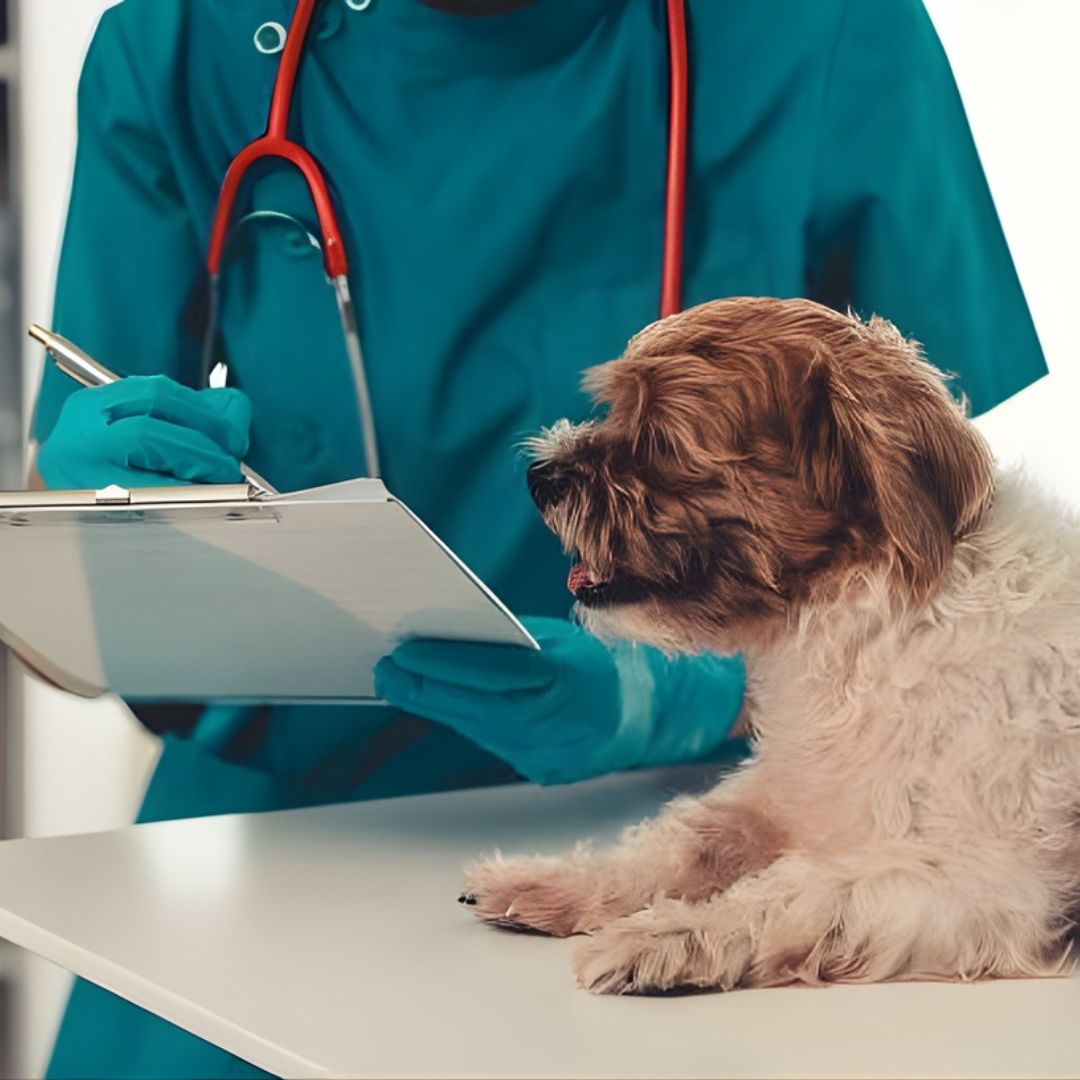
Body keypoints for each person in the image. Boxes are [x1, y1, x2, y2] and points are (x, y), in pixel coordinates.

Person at [30, 1, 1045, 1076]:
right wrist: (78, 521)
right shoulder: (182, 41)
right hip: (274, 832)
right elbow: (73, 604)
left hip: (708, 817)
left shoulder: (832, 31)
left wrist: (684, 696)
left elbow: (955, 566)